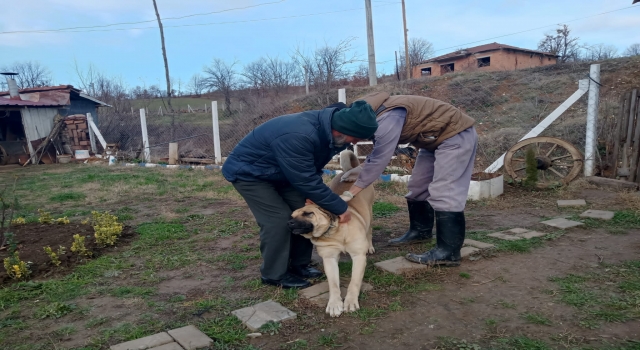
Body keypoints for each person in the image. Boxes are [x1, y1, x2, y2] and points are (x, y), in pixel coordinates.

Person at [222, 101, 378, 289]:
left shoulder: (330, 132)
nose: (355, 143)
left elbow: (310, 167)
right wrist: (340, 207)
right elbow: (305, 180)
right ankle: (274, 274)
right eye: (355, 138)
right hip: (250, 173)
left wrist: (314, 196)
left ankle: (299, 265)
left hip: (284, 172)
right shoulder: (299, 134)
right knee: (278, 220)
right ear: (341, 130)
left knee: (305, 211)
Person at [342, 92, 477, 267]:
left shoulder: (388, 118)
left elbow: (380, 158)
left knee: (445, 191)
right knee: (418, 186)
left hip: (456, 135)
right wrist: (358, 171)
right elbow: (378, 153)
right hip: (431, 141)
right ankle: (420, 232)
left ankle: (448, 252)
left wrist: (350, 193)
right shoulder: (367, 114)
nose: (354, 142)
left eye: (355, 138)